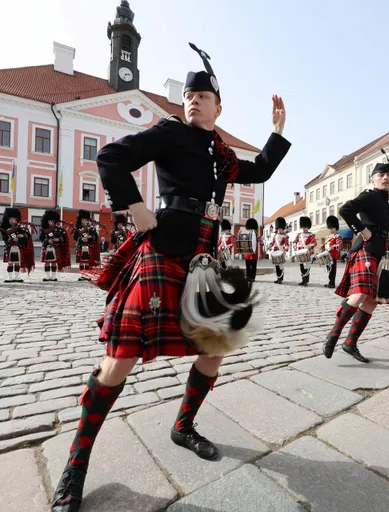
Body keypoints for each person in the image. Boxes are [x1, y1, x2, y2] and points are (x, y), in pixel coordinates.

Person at [49, 43, 290, 512]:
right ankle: (76, 465)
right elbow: (111, 159)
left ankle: (183, 426)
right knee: (118, 360)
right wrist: (135, 205)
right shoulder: (168, 132)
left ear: (219, 106)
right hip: (163, 249)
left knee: (215, 351)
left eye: (203, 95)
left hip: (204, 259)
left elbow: (259, 170)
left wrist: (276, 133)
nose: (193, 100)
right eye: (189, 95)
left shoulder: (220, 152)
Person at [322, 162, 389, 362]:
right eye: (381, 174)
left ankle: (350, 343)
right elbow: (345, 210)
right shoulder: (369, 195)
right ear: (372, 178)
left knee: (372, 301)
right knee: (361, 293)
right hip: (365, 249)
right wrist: (360, 229)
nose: (385, 178)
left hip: (381, 253)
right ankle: (333, 334)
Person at [1, 207, 35, 283]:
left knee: (17, 262)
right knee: (10, 262)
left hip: (18, 247)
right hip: (9, 247)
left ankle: (16, 277)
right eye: (11, 219)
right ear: (8, 219)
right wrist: (13, 238)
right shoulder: (4, 229)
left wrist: (22, 236)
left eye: (14, 219)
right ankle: (9, 277)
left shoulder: (20, 228)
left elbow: (26, 235)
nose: (12, 220)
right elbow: (5, 237)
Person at [39, 210, 70, 282]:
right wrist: (47, 241)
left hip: (55, 248)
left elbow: (63, 238)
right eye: (50, 221)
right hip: (46, 248)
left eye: (53, 221)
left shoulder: (59, 230)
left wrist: (58, 239)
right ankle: (47, 276)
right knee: (47, 262)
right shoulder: (44, 230)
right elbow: (41, 238)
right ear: (47, 221)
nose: (51, 222)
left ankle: (53, 277)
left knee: (53, 263)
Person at [74, 210, 100, 280]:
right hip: (80, 247)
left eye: (85, 220)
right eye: (83, 220)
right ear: (80, 220)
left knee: (87, 262)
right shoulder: (77, 228)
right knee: (82, 263)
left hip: (89, 247)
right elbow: (75, 237)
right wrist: (81, 239)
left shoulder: (91, 228)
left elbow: (95, 237)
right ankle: (82, 276)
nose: (84, 221)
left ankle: (87, 276)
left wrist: (91, 237)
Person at [292, 216, 316, 286]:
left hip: (307, 253)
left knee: (307, 267)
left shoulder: (311, 235)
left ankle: (306, 281)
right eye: (303, 227)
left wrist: (310, 246)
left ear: (308, 227)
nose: (304, 228)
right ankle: (303, 280)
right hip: (300, 253)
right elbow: (294, 242)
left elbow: (314, 243)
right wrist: (294, 246)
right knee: (301, 267)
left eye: (305, 227)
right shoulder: (299, 235)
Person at [323, 215, 343, 288]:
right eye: (330, 228)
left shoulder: (338, 236)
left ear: (336, 228)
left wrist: (333, 247)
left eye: (332, 228)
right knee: (329, 269)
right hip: (327, 255)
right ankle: (330, 282)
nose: (331, 230)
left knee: (332, 270)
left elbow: (339, 245)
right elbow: (326, 244)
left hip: (333, 255)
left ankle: (332, 283)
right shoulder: (328, 237)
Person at [268, 217, 290, 284]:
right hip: (275, 251)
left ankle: (281, 279)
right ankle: (278, 278)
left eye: (281, 229)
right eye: (279, 229)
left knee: (281, 266)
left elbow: (287, 244)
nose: (279, 230)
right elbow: (273, 242)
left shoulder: (285, 236)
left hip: (281, 252)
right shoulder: (275, 236)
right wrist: (270, 246)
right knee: (276, 266)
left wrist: (286, 248)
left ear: (283, 229)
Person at [242, 218, 261, 283]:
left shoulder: (256, 234)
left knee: (253, 266)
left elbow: (261, 242)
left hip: (253, 253)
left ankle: (252, 277)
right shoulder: (245, 234)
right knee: (247, 266)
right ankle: (248, 276)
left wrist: (261, 241)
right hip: (247, 253)